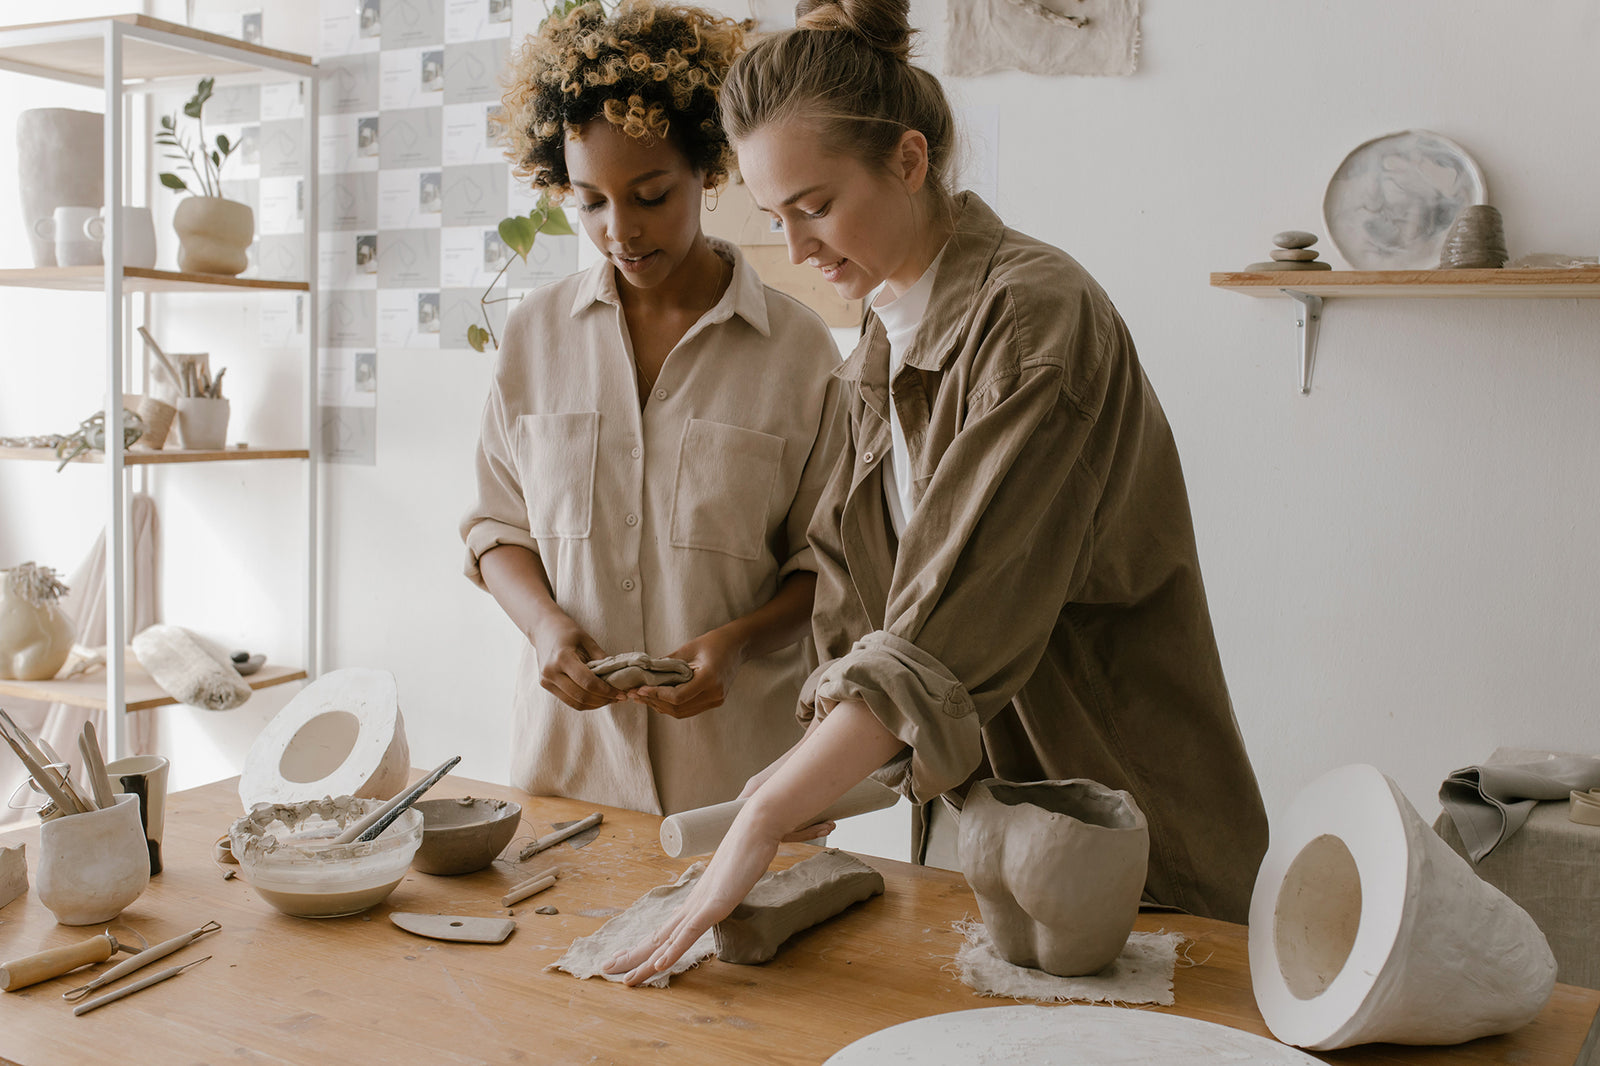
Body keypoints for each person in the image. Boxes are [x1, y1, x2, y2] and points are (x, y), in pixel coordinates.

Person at [605, 0, 1269, 985]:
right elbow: (861, 604)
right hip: (998, 842)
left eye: (816, 205)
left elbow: (939, 636)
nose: (797, 246)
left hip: (1129, 840)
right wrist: (821, 769)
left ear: (908, 161)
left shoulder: (1035, 326)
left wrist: (767, 811)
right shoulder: (880, 340)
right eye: (774, 214)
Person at [460, 0, 846, 817]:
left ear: (707, 169)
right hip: (569, 780)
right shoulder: (534, 337)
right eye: (590, 201)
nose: (620, 230)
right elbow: (497, 531)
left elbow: (831, 566)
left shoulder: (799, 353)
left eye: (649, 194)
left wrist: (738, 644)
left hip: (742, 792)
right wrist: (543, 627)